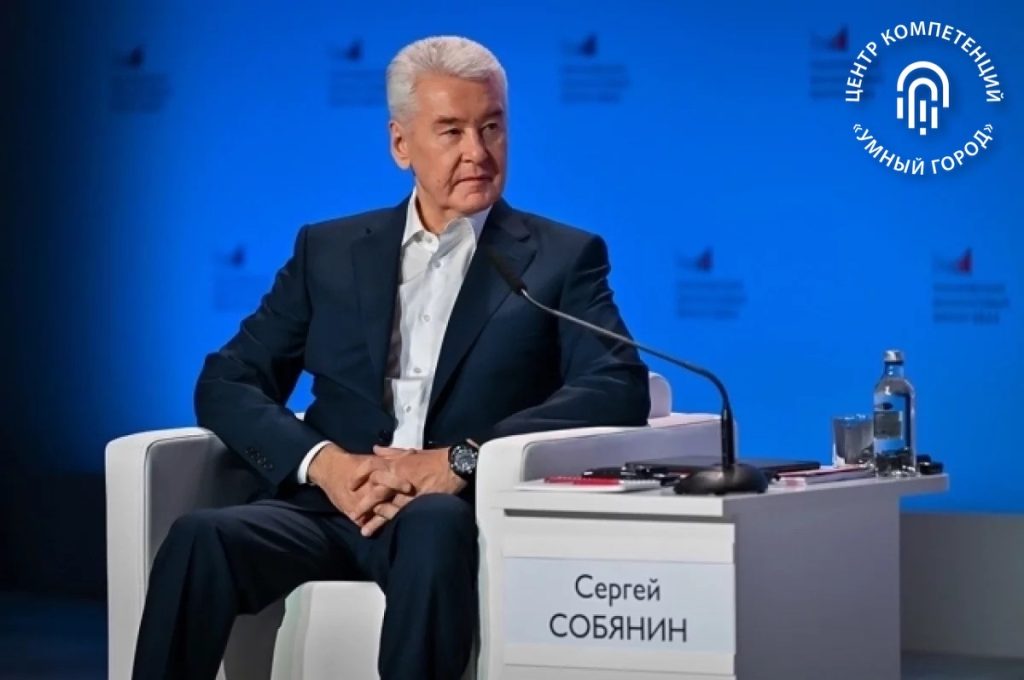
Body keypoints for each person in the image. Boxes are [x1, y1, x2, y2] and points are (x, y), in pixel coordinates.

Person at [131, 35, 650, 680]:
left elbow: (616, 382)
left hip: (447, 513)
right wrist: (324, 465)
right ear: (401, 144)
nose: (477, 152)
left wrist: (462, 458)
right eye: (452, 131)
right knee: (200, 538)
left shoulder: (560, 257)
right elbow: (228, 380)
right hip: (327, 506)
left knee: (433, 524)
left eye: (492, 128)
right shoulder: (329, 250)